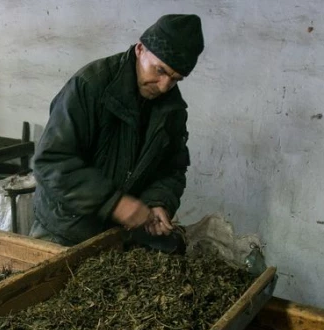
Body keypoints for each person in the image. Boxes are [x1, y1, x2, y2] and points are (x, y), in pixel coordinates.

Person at [29, 14, 205, 248]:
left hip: (117, 235)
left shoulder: (172, 110)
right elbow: (51, 163)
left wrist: (158, 201)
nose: (164, 86)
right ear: (140, 49)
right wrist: (114, 203)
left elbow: (172, 168)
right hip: (65, 230)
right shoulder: (90, 86)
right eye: (160, 71)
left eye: (175, 79)